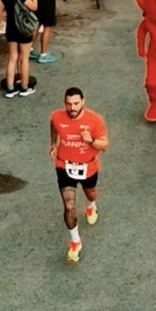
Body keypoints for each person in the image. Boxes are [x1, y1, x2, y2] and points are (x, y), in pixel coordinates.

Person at [50, 87, 109, 263]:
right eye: (69, 104)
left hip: (88, 166)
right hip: (64, 165)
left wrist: (90, 140)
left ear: (82, 102)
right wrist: (53, 143)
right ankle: (75, 241)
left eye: (76, 103)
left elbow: (104, 144)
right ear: (64, 104)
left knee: (90, 192)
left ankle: (91, 206)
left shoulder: (94, 120)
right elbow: (53, 125)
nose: (72, 108)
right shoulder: (57, 117)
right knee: (69, 205)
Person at [0, 0, 38, 99]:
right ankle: (24, 87)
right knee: (24, 58)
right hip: (23, 29)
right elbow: (34, 7)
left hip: (10, 29)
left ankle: (10, 89)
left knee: (12, 58)